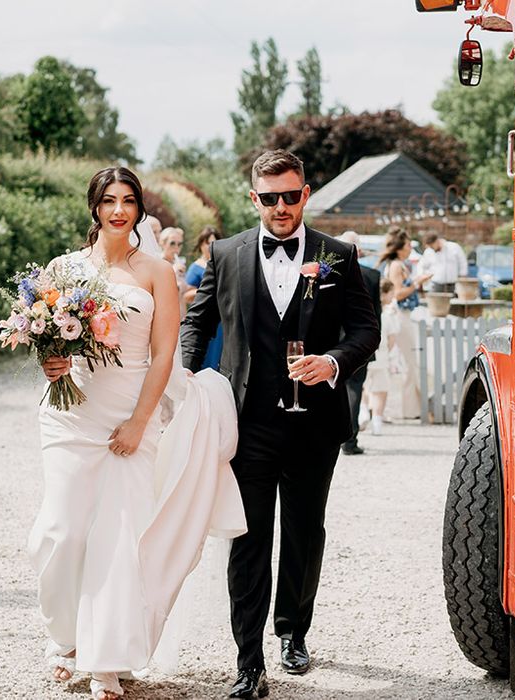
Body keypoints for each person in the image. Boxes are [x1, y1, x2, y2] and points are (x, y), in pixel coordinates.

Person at [32, 167, 246, 700]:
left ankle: (106, 658)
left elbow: (164, 354)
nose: (119, 210)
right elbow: (51, 341)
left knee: (116, 537)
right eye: (109, 201)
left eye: (128, 200)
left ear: (139, 208)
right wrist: (52, 362)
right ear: (94, 207)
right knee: (60, 533)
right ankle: (67, 640)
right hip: (71, 412)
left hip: (132, 411)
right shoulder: (63, 268)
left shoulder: (156, 273)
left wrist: (139, 421)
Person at [181, 149, 379, 699]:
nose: (281, 206)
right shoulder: (226, 252)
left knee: (303, 533)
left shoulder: (336, 256)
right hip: (246, 425)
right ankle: (249, 662)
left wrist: (332, 361)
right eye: (270, 198)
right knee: (248, 539)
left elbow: (366, 331)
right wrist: (188, 382)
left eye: (291, 196)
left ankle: (293, 631)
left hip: (314, 425)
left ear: (306, 194)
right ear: (254, 199)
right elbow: (197, 325)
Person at [376, 229, 430, 419]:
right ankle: (409, 409)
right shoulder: (397, 265)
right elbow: (398, 294)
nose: (410, 248)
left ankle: (410, 407)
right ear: (399, 248)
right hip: (400, 316)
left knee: (407, 362)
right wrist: (416, 283)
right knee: (409, 362)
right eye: (407, 245)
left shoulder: (396, 264)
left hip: (402, 315)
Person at [337, 230, 381, 456]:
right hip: (359, 341)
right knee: (354, 389)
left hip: (333, 341)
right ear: (359, 250)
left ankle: (333, 436)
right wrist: (375, 341)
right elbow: (375, 315)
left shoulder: (329, 273)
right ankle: (349, 439)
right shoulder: (371, 275)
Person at [185, 225, 224, 370]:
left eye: (214, 242)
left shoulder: (221, 264)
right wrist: (208, 291)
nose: (211, 246)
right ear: (202, 244)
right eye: (208, 243)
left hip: (221, 320)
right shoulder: (196, 267)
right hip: (204, 317)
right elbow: (186, 295)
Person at [365, 278, 401, 435]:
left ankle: (363, 411)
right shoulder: (386, 315)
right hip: (382, 357)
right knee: (380, 390)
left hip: (365, 358)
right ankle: (377, 420)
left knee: (363, 386)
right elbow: (392, 339)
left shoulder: (366, 313)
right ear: (384, 294)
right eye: (391, 294)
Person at [160, 226, 188, 318]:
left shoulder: (179, 264)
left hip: (181, 317)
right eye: (172, 243)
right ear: (162, 243)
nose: (176, 248)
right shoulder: (157, 264)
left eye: (179, 244)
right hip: (165, 316)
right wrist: (173, 273)